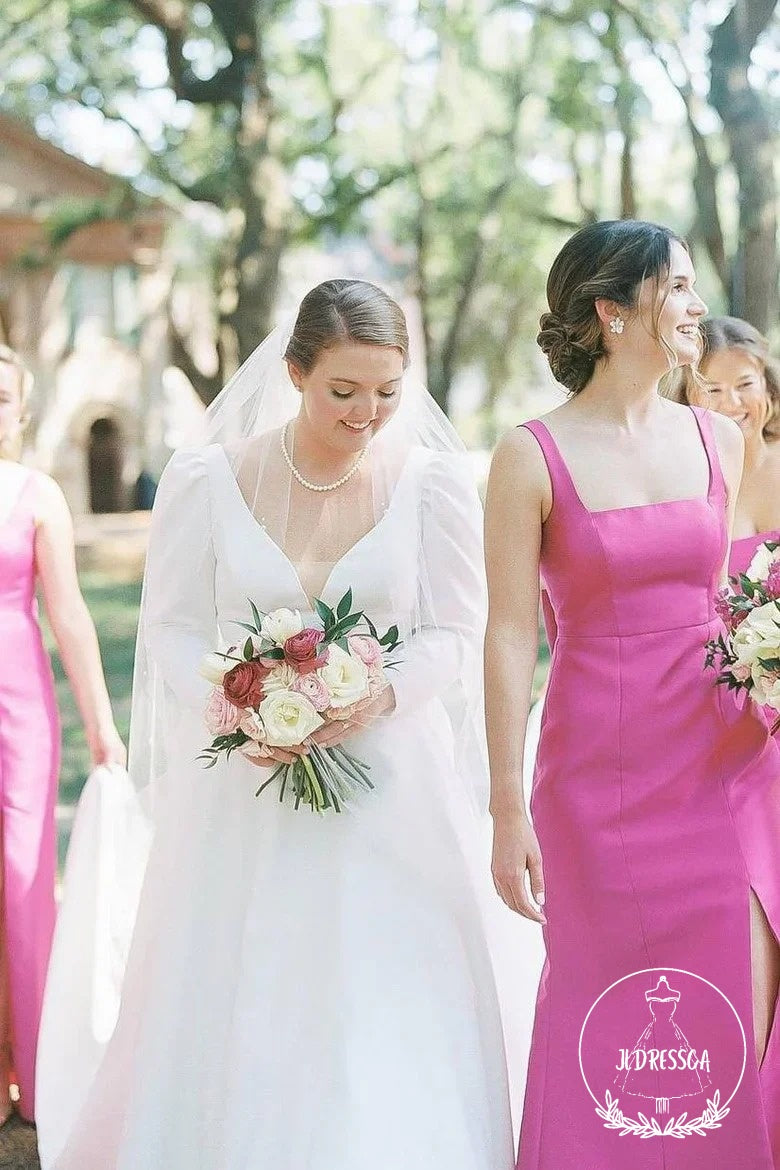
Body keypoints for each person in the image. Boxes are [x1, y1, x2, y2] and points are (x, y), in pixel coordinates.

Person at [40, 280, 521, 1170]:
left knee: (377, 987)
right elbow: (172, 625)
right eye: (344, 390)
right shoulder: (206, 479)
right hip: (245, 789)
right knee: (249, 981)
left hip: (391, 791)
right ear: (295, 373)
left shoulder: (432, 484)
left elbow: (458, 630)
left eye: (387, 390)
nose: (367, 413)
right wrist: (236, 703)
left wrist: (380, 693)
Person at [484, 221, 780, 1168]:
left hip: (720, 765)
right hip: (595, 780)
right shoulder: (529, 455)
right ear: (612, 312)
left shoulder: (719, 440)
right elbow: (509, 634)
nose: (698, 305)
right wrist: (505, 806)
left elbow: (723, 599)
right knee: (600, 1004)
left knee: (726, 1003)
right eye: (677, 287)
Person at [0, 344, 125, 1127]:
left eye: (2, 398)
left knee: (22, 880)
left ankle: (38, 1071)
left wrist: (102, 723)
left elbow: (70, 616)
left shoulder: (36, 494)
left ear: (21, 410)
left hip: (20, 713)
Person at [676, 316, 780, 577]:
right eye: (713, 390)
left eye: (745, 384)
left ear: (767, 387)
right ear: (687, 396)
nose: (732, 403)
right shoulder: (681, 486)